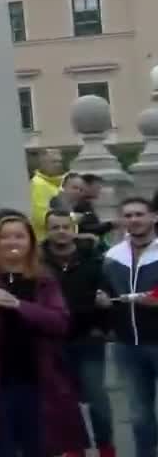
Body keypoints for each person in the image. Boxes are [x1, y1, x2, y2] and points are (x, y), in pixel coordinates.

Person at [0, 211, 86, 457]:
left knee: (38, 447)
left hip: (38, 380)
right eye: (5, 237)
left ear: (30, 242)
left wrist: (19, 306)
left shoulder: (44, 279)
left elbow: (59, 322)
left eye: (19, 236)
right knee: (1, 449)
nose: (12, 242)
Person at [42, 208, 115, 457]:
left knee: (98, 401)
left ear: (73, 230)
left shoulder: (93, 260)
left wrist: (102, 321)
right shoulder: (38, 264)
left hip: (88, 340)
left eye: (65, 227)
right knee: (65, 403)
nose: (61, 232)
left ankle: (106, 448)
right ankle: (74, 450)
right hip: (53, 343)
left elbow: (107, 295)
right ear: (47, 231)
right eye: (55, 227)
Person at [100, 196, 158, 457]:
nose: (134, 220)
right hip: (127, 345)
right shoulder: (112, 256)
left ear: (153, 217)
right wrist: (102, 300)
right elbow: (105, 293)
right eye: (129, 215)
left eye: (139, 214)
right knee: (138, 415)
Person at [29, 148, 65, 242]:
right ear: (42, 163)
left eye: (59, 161)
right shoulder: (38, 184)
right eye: (53, 162)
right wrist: (71, 218)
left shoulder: (56, 184)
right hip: (46, 242)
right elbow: (40, 217)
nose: (58, 165)